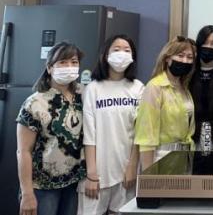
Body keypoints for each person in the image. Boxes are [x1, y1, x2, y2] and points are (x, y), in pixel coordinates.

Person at [16, 42, 86, 215]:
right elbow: (23, 151)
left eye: (74, 62)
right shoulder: (34, 103)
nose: (69, 67)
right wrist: (27, 193)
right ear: (49, 68)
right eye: (62, 62)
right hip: (42, 187)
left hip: (74, 183)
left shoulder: (83, 95)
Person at [79, 35, 144, 215]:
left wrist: (132, 167)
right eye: (116, 49)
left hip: (126, 172)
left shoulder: (138, 88)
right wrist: (92, 175)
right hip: (97, 173)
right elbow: (89, 134)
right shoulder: (93, 88)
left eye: (127, 50)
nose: (122, 53)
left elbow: (140, 133)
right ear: (105, 54)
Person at [135, 36, 196, 170]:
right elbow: (146, 136)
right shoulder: (155, 87)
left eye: (189, 57)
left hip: (183, 159)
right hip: (161, 158)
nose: (185, 61)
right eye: (180, 55)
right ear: (167, 58)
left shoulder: (184, 88)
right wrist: (149, 174)